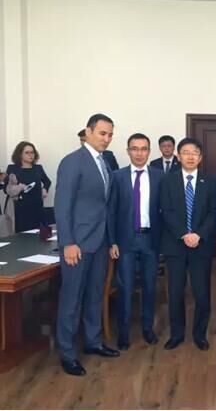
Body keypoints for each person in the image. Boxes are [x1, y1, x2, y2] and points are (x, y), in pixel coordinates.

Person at [55, 113, 120, 377]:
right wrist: (68, 242)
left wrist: (111, 240)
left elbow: (105, 206)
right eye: (102, 133)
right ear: (88, 132)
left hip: (100, 242)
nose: (107, 138)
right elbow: (63, 205)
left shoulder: (105, 162)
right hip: (78, 245)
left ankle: (93, 342)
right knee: (71, 300)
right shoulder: (73, 161)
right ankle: (67, 354)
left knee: (95, 296)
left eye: (110, 134)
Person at [160, 138, 216, 351]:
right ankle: (176, 334)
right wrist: (184, 234)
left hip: (201, 246)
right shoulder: (168, 181)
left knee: (202, 293)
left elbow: (214, 212)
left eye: (194, 153)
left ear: (200, 157)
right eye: (186, 152)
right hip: (175, 245)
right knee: (175, 292)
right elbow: (166, 211)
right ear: (178, 156)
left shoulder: (211, 182)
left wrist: (198, 235)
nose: (190, 156)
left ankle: (200, 334)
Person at [108, 133, 163, 351]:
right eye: (135, 148)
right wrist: (112, 241)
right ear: (128, 151)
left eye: (143, 149)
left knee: (150, 286)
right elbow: (111, 212)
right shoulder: (117, 177)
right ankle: (123, 333)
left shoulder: (159, 177)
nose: (139, 153)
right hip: (126, 240)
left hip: (151, 239)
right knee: (125, 287)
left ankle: (148, 329)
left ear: (149, 151)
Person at [4, 142, 51, 232]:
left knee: (37, 234)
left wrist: (45, 189)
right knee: (21, 235)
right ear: (20, 154)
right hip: (19, 208)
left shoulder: (38, 168)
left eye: (32, 152)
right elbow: (6, 189)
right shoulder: (12, 168)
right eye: (27, 152)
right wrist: (18, 188)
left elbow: (47, 181)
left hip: (36, 206)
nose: (30, 155)